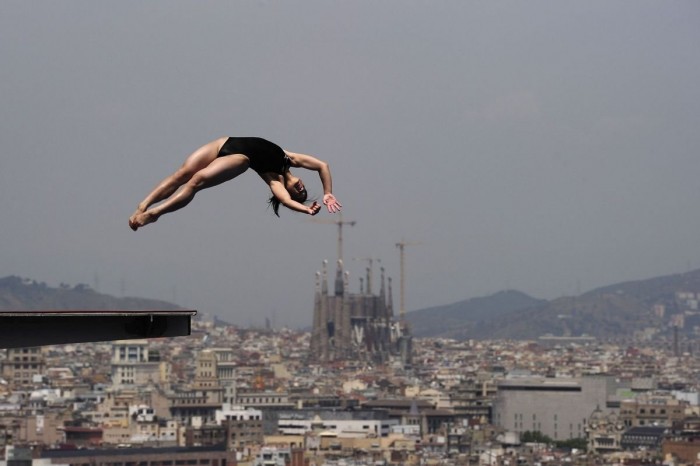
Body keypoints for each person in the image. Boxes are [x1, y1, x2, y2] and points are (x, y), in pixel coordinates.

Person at [128, 136, 342, 231]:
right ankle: (143, 206)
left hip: (239, 159)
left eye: (299, 194)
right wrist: (328, 192)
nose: (301, 190)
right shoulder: (290, 158)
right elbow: (322, 165)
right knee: (181, 174)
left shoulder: (273, 180)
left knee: (195, 181)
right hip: (225, 142)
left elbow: (286, 201)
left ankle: (156, 214)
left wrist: (305, 209)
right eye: (304, 191)